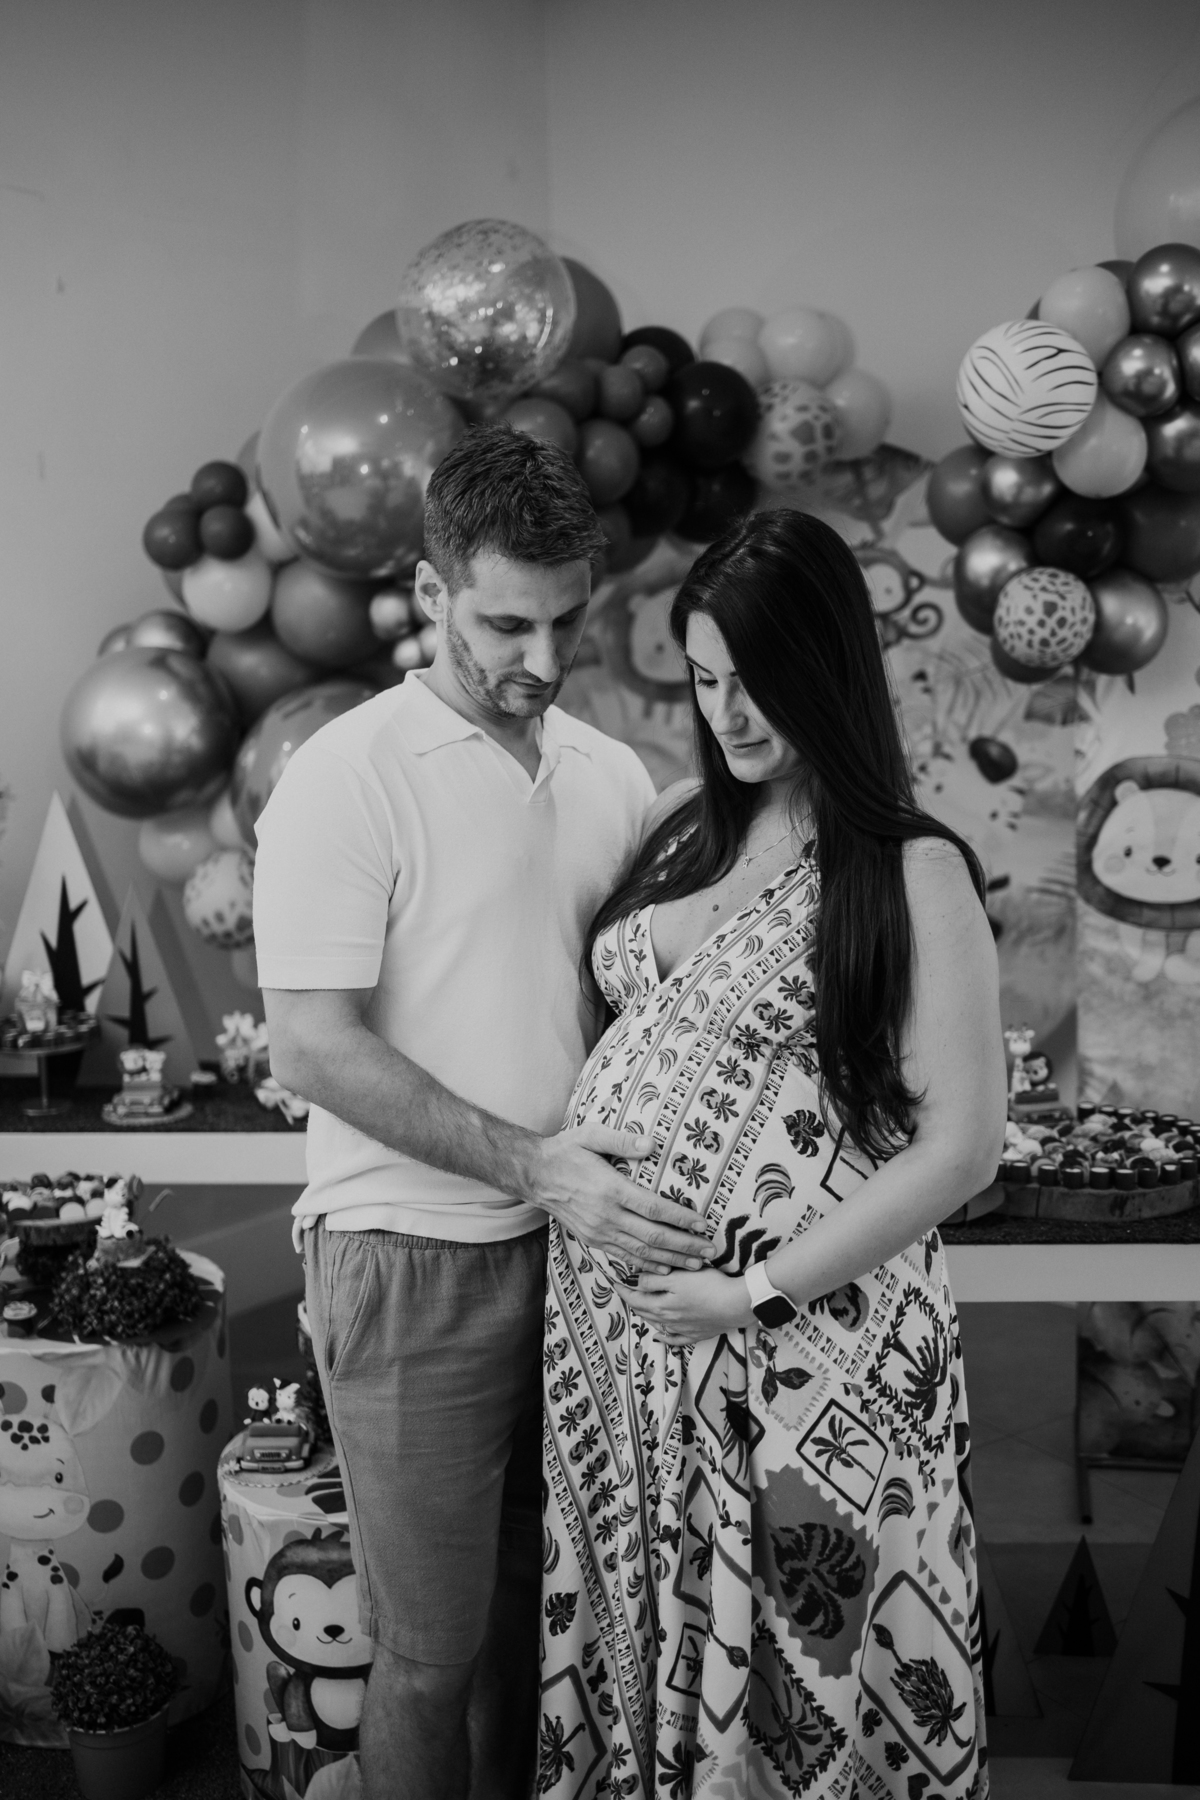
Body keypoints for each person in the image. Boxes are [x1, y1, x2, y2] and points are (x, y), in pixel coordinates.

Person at [252, 425, 718, 1800]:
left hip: (583, 1264)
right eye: (507, 622)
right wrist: (537, 1166)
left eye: (567, 619)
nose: (542, 656)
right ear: (431, 589)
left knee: (551, 1635)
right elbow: (313, 1047)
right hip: (407, 1259)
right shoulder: (349, 774)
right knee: (426, 1654)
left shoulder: (608, 773)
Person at [538, 509, 1006, 1800]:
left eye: (758, 680)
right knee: (658, 1655)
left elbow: (962, 1145)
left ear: (827, 669)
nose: (729, 712)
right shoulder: (686, 828)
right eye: (703, 678)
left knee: (809, 1680)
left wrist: (747, 1292)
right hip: (637, 1354)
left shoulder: (908, 872)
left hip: (811, 1354)